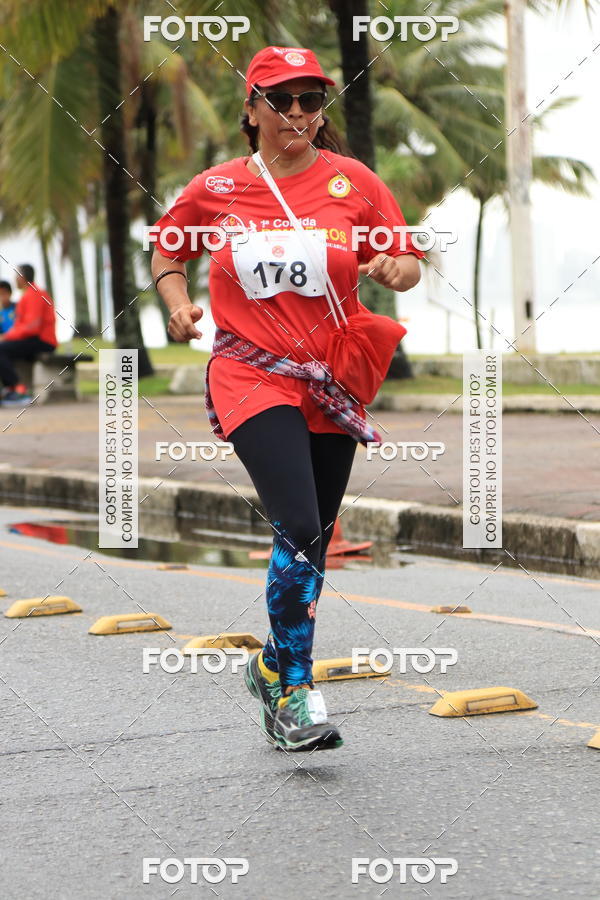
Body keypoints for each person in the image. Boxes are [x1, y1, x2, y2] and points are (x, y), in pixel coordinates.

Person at [151, 46, 423, 751]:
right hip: (248, 372)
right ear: (251, 110)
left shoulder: (354, 183)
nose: (297, 112)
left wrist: (398, 267)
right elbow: (169, 248)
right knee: (298, 522)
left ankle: (270, 663)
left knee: (313, 539)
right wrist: (176, 304)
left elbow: (405, 256)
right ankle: (296, 695)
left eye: (310, 99)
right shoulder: (215, 187)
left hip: (328, 377)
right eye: (280, 99)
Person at [0, 265, 58, 407]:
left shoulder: (35, 294)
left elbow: (31, 327)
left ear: (22, 277)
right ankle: (10, 390)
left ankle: (18, 391)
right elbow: (22, 326)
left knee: (1, 349)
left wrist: (6, 337)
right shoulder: (29, 294)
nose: (15, 279)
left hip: (42, 341)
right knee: (4, 350)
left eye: (16, 276)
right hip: (33, 340)